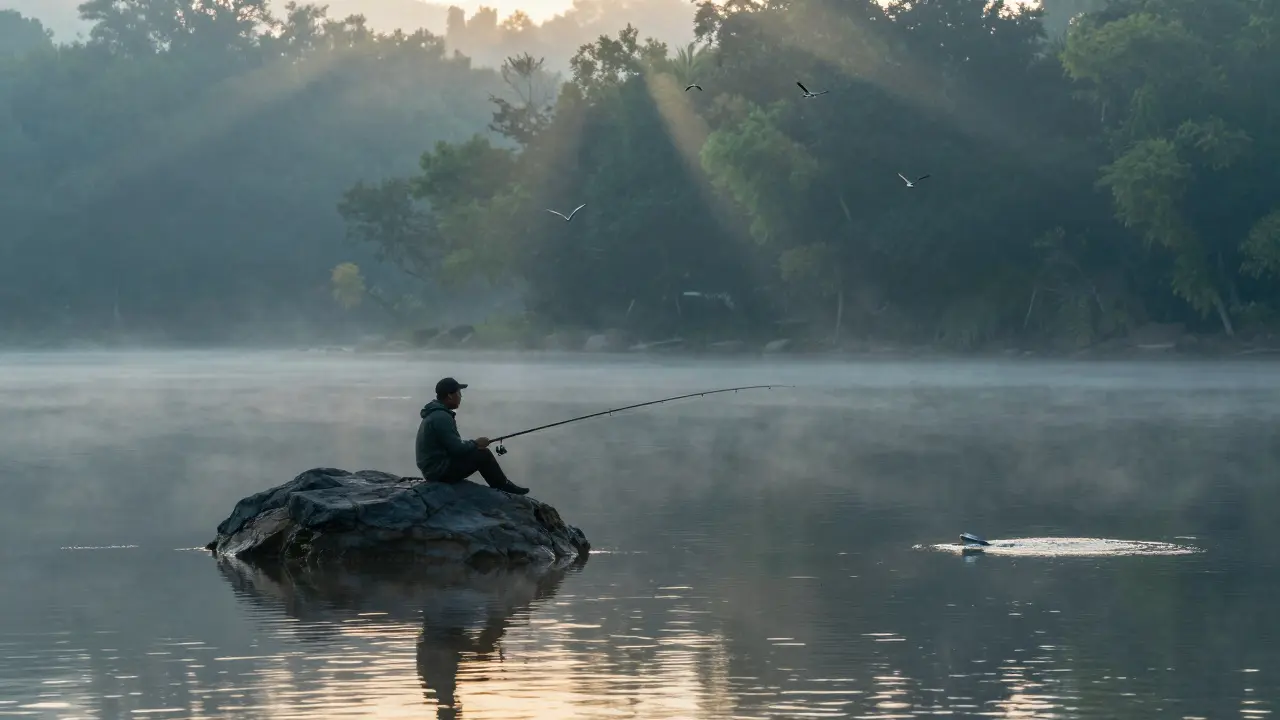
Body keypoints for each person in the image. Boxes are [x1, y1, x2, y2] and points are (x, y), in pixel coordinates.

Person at [416, 377, 529, 495]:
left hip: (432, 469)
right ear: (450, 395)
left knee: (478, 451)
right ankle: (503, 487)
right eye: (459, 393)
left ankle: (503, 485)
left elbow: (452, 446)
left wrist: (473, 445)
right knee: (483, 454)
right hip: (438, 472)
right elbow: (457, 449)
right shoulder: (441, 417)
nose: (461, 397)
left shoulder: (435, 414)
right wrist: (476, 443)